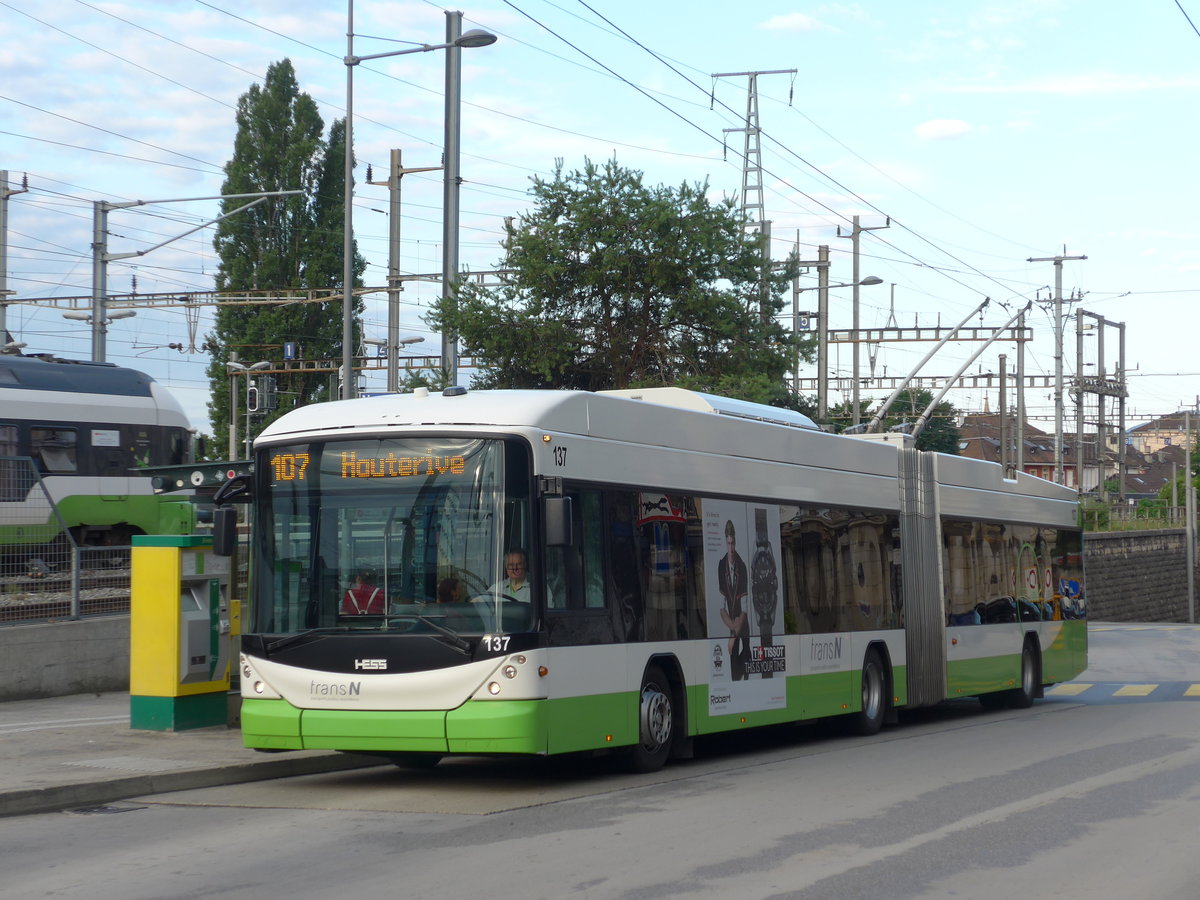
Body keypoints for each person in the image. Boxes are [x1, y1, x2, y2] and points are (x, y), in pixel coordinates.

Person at [717, 519, 750, 681]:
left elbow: (744, 610)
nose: (731, 548)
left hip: (743, 623)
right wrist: (731, 630)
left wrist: (733, 634)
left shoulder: (742, 566)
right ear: (725, 542)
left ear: (735, 542)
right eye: (728, 543)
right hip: (732, 623)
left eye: (733, 543)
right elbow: (722, 608)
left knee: (747, 654)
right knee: (733, 669)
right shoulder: (721, 566)